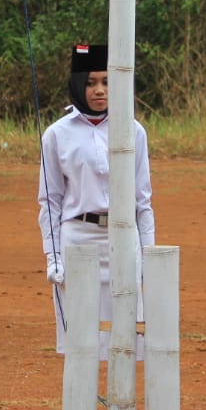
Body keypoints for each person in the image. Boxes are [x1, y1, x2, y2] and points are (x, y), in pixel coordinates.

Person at [37, 44, 155, 357]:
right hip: (77, 240)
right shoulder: (56, 134)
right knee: (80, 337)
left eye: (106, 81)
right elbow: (50, 202)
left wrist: (148, 254)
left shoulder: (133, 131)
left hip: (123, 238)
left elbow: (143, 201)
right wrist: (53, 257)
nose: (100, 90)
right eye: (91, 83)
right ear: (78, 84)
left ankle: (121, 399)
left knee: (127, 333)